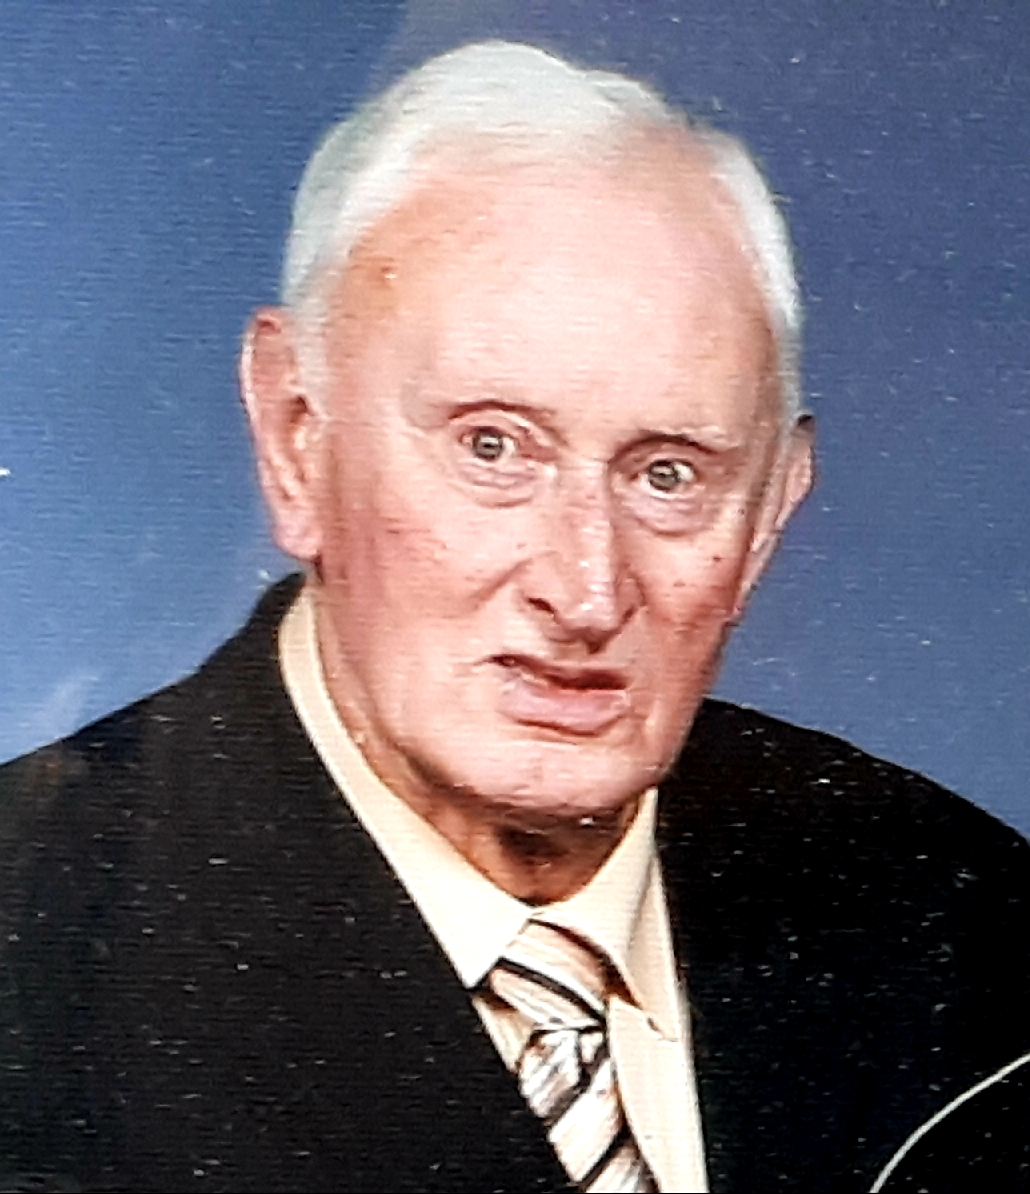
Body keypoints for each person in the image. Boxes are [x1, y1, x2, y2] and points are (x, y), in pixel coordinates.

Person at [0, 41, 1026, 1194]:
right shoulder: (34, 954)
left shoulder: (964, 919)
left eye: (669, 475)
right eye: (493, 448)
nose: (584, 594)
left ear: (769, 513)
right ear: (296, 437)